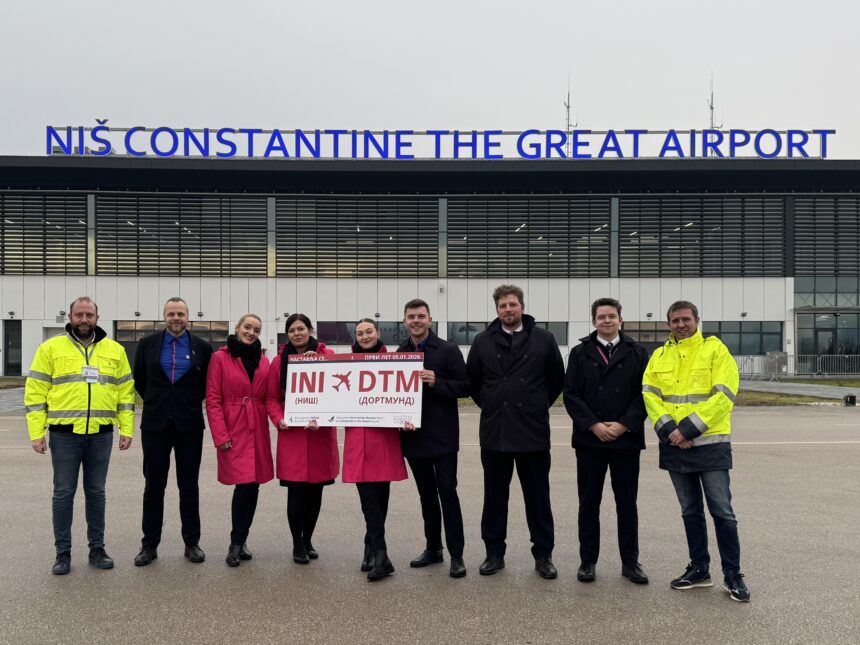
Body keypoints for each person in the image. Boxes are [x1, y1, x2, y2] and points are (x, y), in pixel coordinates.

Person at [642, 301, 750, 602]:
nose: (680, 324)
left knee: (722, 512)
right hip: (675, 446)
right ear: (668, 324)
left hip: (710, 445)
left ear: (697, 320)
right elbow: (650, 395)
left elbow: (725, 394)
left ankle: (733, 574)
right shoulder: (659, 356)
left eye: (685, 319)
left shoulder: (715, 350)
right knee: (690, 511)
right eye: (675, 320)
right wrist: (670, 432)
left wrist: (687, 429)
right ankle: (699, 569)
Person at [24, 297, 135, 575]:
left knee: (96, 493)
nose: (84, 320)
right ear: (70, 317)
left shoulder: (115, 350)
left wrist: (127, 428)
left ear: (98, 317)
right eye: (79, 315)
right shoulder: (50, 348)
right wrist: (36, 433)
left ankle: (97, 549)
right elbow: (36, 392)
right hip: (64, 435)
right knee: (63, 493)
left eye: (89, 315)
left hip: (100, 434)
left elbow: (125, 392)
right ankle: (63, 553)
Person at [466, 284, 565, 579]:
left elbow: (555, 380)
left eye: (512, 305)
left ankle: (544, 554)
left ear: (522, 306)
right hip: (495, 432)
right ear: (496, 310)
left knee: (538, 498)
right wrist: (496, 405)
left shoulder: (544, 339)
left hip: (532, 432)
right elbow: (474, 384)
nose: (508, 310)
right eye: (502, 306)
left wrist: (535, 405)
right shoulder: (482, 341)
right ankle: (494, 553)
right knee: (494, 498)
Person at [563, 298, 649, 585]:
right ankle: (588, 561)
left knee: (627, 504)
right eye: (601, 317)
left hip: (626, 440)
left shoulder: (638, 352)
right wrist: (594, 425)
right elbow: (571, 394)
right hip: (591, 441)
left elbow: (645, 394)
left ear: (620, 320)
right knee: (589, 503)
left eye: (612, 316)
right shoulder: (579, 353)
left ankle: (630, 562)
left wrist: (624, 424)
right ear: (594, 321)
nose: (607, 321)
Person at [132, 297, 213, 566]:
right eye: (171, 313)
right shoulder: (147, 345)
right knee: (153, 486)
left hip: (189, 424)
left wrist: (186, 402)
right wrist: (159, 402)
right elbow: (140, 380)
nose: (175, 318)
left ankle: (192, 543)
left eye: (180, 313)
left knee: (188, 485)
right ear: (164, 316)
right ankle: (149, 545)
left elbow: (205, 384)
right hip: (156, 424)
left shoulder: (202, 348)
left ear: (188, 316)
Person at [397, 299, 470, 578]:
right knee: (426, 496)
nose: (416, 321)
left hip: (442, 437)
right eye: (411, 317)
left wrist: (437, 382)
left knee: (448, 493)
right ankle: (433, 548)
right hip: (414, 437)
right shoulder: (400, 353)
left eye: (420, 316)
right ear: (405, 321)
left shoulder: (448, 350)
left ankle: (457, 554)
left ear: (430, 319)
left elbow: (465, 386)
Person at [267, 314, 340, 564]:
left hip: (319, 434)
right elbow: (272, 399)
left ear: (310, 330)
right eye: (291, 330)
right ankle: (297, 542)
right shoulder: (279, 362)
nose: (297, 333)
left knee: (315, 492)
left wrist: (320, 361)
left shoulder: (326, 353)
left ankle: (307, 537)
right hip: (293, 435)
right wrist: (278, 420)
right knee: (296, 492)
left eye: (301, 329)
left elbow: (340, 386)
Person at [342, 318, 408, 581]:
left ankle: (370, 547)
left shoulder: (395, 362)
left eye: (369, 331)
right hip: (358, 442)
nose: (365, 336)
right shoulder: (345, 364)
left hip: (383, 441)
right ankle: (381, 555)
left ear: (378, 333)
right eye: (360, 333)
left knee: (381, 501)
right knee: (369, 501)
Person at [205, 313, 274, 567]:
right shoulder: (219, 358)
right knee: (242, 485)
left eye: (257, 329)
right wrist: (220, 434)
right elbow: (212, 399)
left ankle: (242, 539)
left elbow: (270, 396)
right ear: (237, 328)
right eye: (248, 327)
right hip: (234, 427)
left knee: (253, 485)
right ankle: (235, 542)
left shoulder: (264, 361)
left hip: (257, 426)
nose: (252, 332)